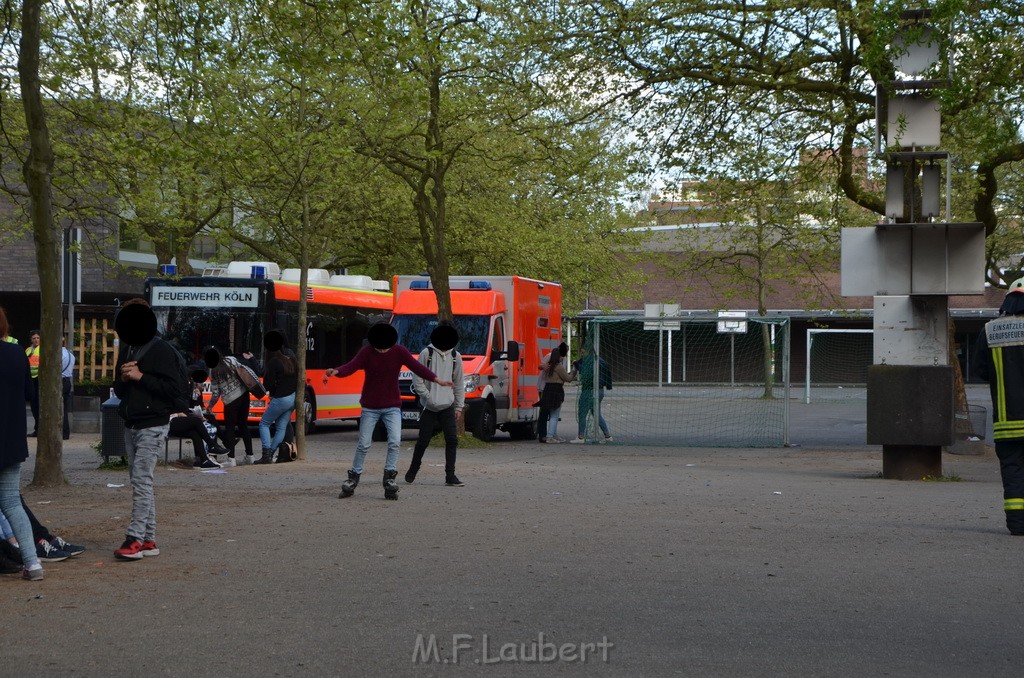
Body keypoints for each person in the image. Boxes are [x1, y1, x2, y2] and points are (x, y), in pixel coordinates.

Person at [325, 322, 452, 500]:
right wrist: (336, 371)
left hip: (392, 406)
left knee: (394, 441)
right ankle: (353, 477)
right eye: (380, 347)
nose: (383, 351)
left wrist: (437, 380)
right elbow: (351, 366)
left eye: (385, 347)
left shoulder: (399, 351)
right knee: (364, 443)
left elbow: (418, 368)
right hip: (370, 406)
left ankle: (389, 477)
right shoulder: (367, 352)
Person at [112, 298, 185, 561]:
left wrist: (140, 376)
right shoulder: (128, 348)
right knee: (140, 481)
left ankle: (134, 539)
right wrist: (124, 378)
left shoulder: (161, 350)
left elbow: (174, 391)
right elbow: (119, 390)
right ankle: (148, 539)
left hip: (153, 423)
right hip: (132, 422)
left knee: (142, 480)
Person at [975, 277, 1024, 535]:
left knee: (1013, 471)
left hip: (1006, 422)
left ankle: (1017, 525)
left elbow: (982, 370)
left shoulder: (990, 330)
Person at [0, 306, 45, 579]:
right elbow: (29, 392)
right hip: (11, 439)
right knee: (12, 503)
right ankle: (33, 562)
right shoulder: (18, 353)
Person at [404, 324, 466, 487]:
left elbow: (459, 382)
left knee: (452, 439)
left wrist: (459, 406)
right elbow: (417, 380)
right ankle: (413, 470)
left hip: (447, 405)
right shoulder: (427, 353)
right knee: (423, 440)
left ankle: (450, 475)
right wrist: (428, 397)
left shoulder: (455, 356)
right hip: (428, 407)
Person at [204, 347, 255, 467]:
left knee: (230, 428)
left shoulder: (213, 371)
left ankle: (231, 459)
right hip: (244, 395)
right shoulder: (231, 360)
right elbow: (243, 371)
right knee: (243, 425)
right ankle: (250, 456)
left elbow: (216, 393)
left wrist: (210, 406)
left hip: (231, 400)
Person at [257, 330, 297, 465]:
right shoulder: (291, 360)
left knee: (264, 423)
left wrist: (273, 393)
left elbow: (268, 384)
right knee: (281, 427)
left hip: (280, 398)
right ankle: (271, 453)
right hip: (292, 398)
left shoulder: (274, 361)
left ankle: (266, 453)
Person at [569, 343, 613, 444]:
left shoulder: (588, 362)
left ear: (587, 351)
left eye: (582, 351)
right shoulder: (601, 360)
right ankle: (607, 436)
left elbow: (585, 372)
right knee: (596, 414)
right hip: (600, 390)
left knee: (582, 413)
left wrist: (576, 365)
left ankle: (580, 437)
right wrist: (609, 386)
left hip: (589, 390)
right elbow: (608, 374)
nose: (581, 353)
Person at [538, 345, 576, 444]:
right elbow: (568, 378)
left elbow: (541, 367)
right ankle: (550, 436)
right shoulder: (558, 367)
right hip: (556, 389)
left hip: (547, 389)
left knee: (548, 413)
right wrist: (574, 371)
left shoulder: (549, 366)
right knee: (554, 415)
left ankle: (551, 435)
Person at [25, 329, 40, 437]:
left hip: (39, 379)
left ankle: (39, 429)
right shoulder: (28, 350)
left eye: (38, 338)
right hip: (31, 379)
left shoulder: (43, 349)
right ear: (31, 340)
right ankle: (37, 429)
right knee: (33, 406)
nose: (36, 340)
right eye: (34, 338)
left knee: (38, 405)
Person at [60, 337, 75, 440]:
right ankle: (66, 432)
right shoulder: (71, 355)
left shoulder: (59, 355)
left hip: (60, 381)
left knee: (57, 408)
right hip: (67, 381)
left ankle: (62, 432)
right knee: (64, 408)